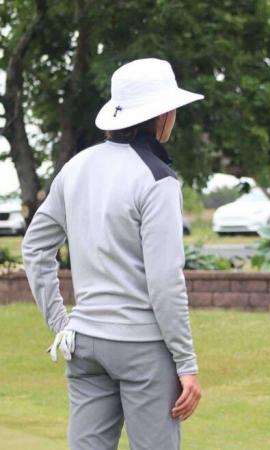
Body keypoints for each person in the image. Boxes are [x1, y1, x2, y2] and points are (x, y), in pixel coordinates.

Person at [22, 58, 203, 449]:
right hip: (142, 348)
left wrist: (61, 325)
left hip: (84, 343)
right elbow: (165, 281)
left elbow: (35, 248)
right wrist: (186, 363)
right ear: (163, 114)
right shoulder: (157, 179)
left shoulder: (76, 167)